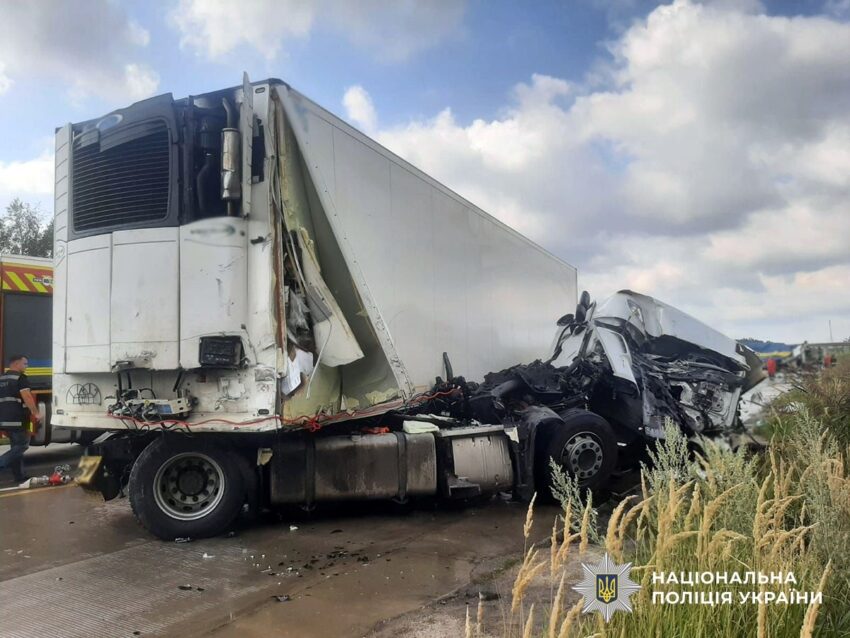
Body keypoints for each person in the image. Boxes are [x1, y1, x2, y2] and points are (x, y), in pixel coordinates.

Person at [0, 354, 41, 484]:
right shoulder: (20, 378)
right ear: (16, 364)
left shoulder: (2, 378)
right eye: (25, 364)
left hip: (4, 419)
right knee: (22, 445)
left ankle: (19, 476)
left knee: (15, 447)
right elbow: (27, 397)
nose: (27, 366)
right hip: (20, 418)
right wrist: (36, 413)